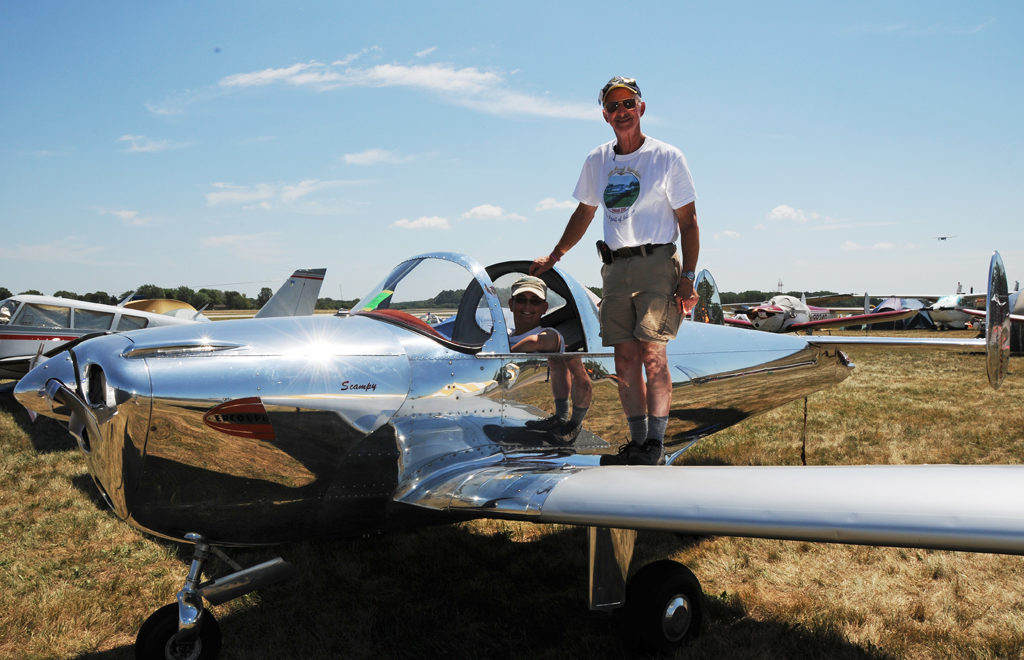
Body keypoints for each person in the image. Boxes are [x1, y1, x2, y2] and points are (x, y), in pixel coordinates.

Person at [530, 76, 700, 465]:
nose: (621, 111)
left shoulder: (667, 157)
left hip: (657, 263)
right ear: (605, 115)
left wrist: (688, 276)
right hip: (615, 268)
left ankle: (655, 445)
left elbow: (689, 221)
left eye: (628, 104)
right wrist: (555, 255)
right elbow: (585, 211)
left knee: (653, 355)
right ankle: (636, 443)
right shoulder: (597, 159)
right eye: (613, 106)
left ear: (641, 108)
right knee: (624, 359)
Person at [507, 276, 591, 445]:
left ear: (544, 308)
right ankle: (559, 418)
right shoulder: (506, 333)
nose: (527, 306)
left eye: (535, 301)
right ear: (511, 304)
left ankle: (567, 421)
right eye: (521, 300)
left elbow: (537, 342)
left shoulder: (548, 334)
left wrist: (506, 352)